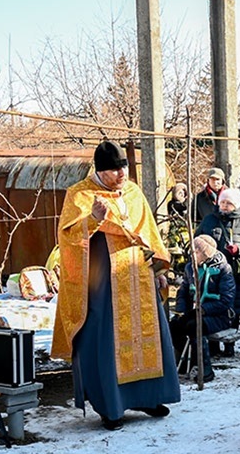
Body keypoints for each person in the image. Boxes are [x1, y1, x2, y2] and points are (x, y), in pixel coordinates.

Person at [52, 141, 180, 430]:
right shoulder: (79, 195)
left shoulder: (133, 192)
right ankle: (110, 406)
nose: (122, 174)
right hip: (104, 282)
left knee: (149, 335)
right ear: (99, 171)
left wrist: (158, 266)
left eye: (123, 167)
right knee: (106, 340)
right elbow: (68, 238)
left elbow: (148, 231)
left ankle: (148, 397)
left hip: (139, 275)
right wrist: (93, 220)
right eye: (114, 170)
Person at [172, 234, 236, 383]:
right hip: (198, 312)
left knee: (195, 326)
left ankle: (205, 369)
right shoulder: (190, 267)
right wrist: (182, 311)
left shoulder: (224, 269)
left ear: (206, 253)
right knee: (174, 325)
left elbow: (226, 300)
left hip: (220, 315)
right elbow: (183, 291)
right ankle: (187, 362)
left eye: (197, 251)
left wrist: (204, 309)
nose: (192, 254)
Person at [195, 187, 240, 317]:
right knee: (215, 306)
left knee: (238, 307)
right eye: (222, 202)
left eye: (229, 203)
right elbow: (196, 240)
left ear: (236, 205)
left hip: (237, 271)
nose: (224, 206)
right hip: (212, 272)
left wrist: (239, 248)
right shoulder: (209, 220)